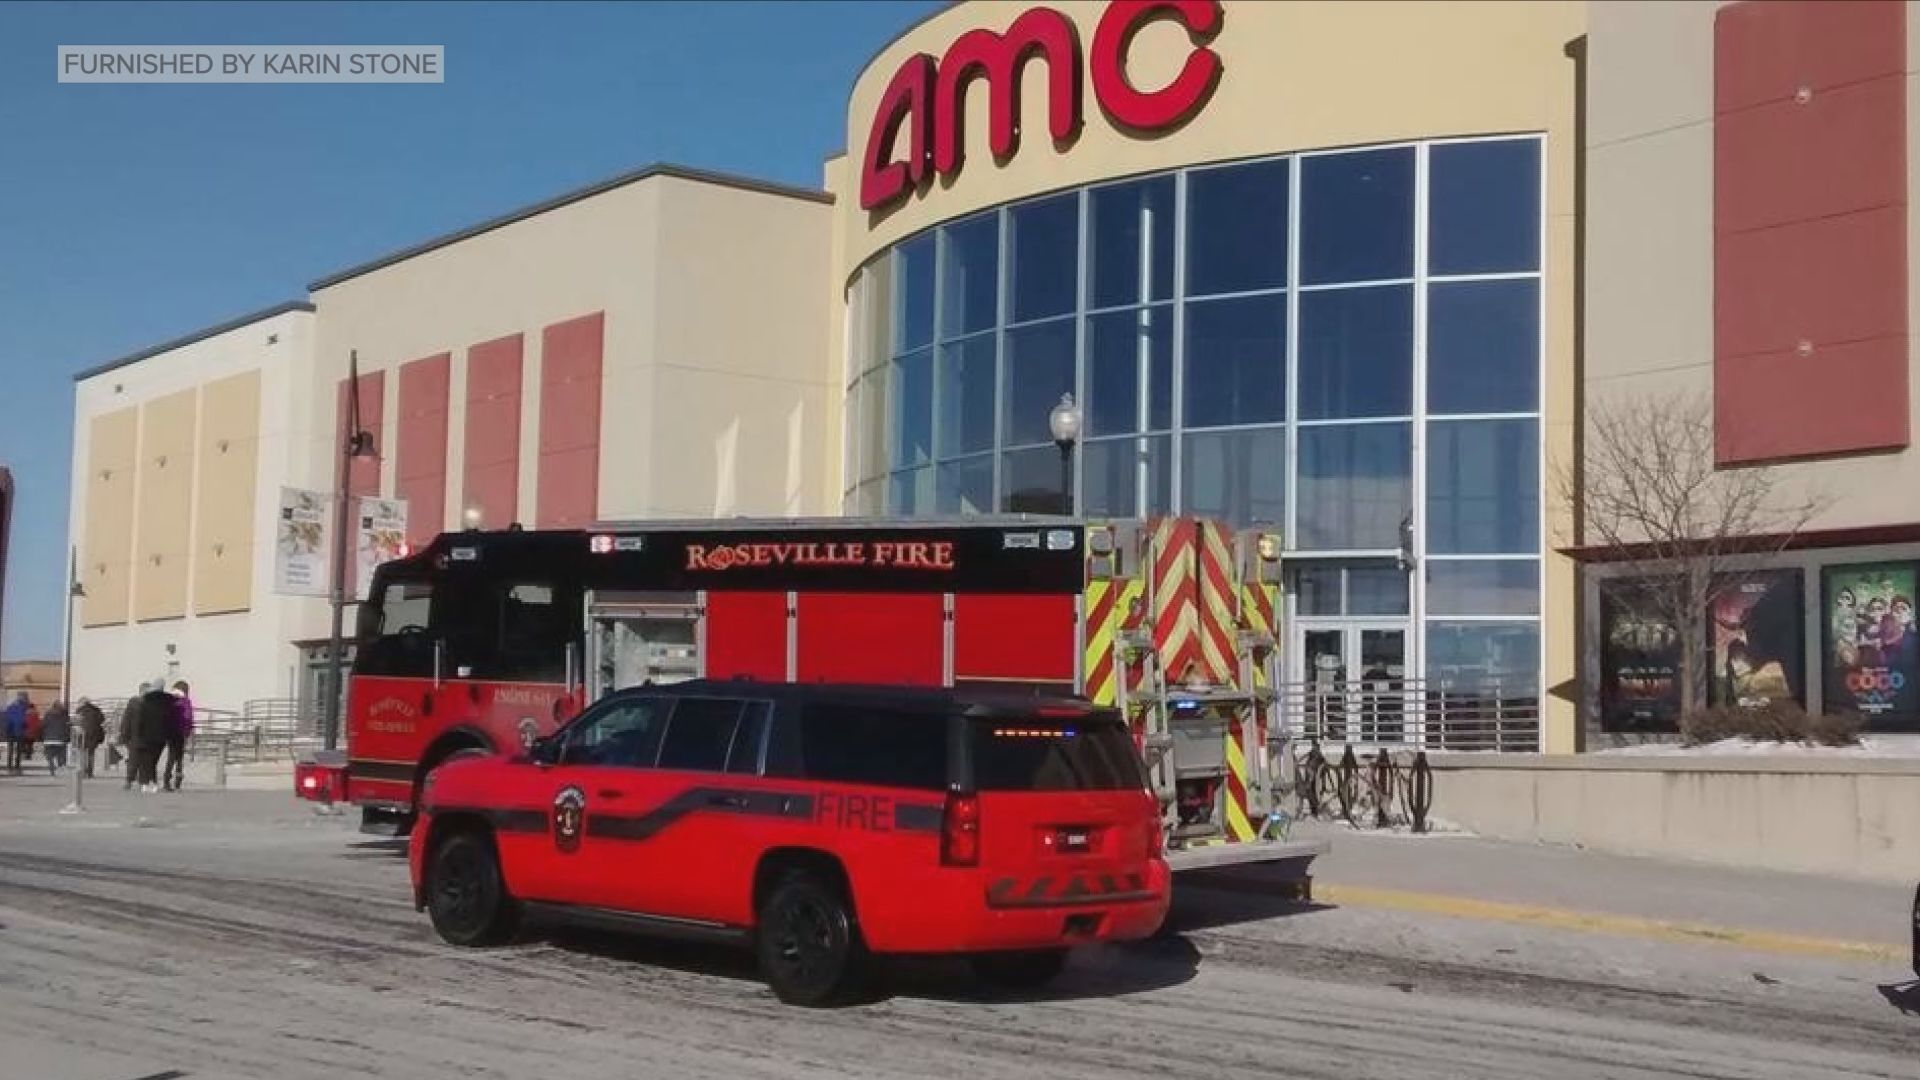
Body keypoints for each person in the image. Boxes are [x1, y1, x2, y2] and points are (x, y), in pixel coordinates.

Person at [162, 680, 195, 792]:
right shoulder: (186, 702)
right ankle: (177, 782)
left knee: (170, 758)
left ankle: (166, 781)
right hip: (180, 733)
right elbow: (189, 717)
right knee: (179, 759)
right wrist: (188, 731)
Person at [117, 691, 144, 790]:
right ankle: (141, 781)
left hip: (134, 737)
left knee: (133, 759)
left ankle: (129, 781)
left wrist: (124, 736)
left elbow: (126, 720)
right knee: (141, 760)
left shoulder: (132, 703)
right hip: (141, 737)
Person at [75, 697, 106, 778]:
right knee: (91, 753)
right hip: (94, 735)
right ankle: (90, 772)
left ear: (82, 703)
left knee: (82, 753)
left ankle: (83, 770)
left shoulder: (80, 711)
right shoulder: (96, 710)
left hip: (83, 734)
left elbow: (77, 722)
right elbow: (102, 720)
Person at [40, 700, 71, 776]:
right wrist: (67, 738)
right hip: (60, 739)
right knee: (60, 755)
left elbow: (43, 726)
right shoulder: (64, 715)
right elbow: (66, 728)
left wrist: (42, 737)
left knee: (49, 756)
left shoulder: (47, 714)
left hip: (48, 739)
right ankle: (60, 769)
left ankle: (52, 770)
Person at [3, 692, 28, 775]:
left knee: (11, 750)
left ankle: (9, 768)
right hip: (19, 732)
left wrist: (5, 731)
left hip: (10, 731)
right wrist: (25, 727)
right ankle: (17, 768)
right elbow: (24, 721)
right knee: (18, 751)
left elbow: (6, 720)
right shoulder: (23, 709)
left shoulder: (9, 708)